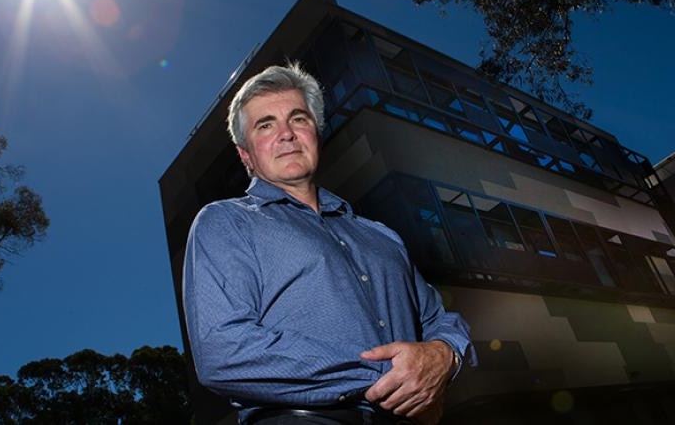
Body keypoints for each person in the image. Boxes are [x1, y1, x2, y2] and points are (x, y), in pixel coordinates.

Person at [183, 63, 475, 425]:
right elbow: (222, 351)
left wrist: (445, 356)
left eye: (298, 119)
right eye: (266, 125)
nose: (286, 134)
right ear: (246, 155)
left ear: (316, 133)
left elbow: (439, 319)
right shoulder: (226, 222)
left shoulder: (383, 237)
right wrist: (389, 376)